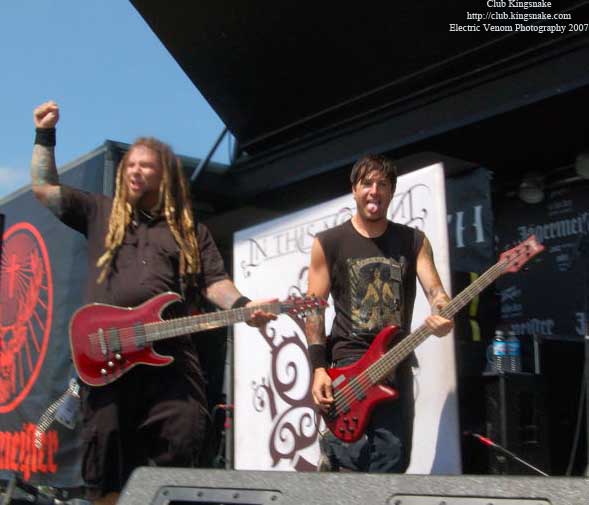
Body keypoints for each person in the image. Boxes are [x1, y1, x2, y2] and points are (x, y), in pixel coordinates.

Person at [30, 101, 276, 504]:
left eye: (144, 165)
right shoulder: (99, 210)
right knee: (107, 453)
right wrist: (45, 134)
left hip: (170, 360)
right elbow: (43, 187)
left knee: (183, 436)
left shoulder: (188, 231)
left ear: (164, 176)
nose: (134, 171)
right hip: (107, 361)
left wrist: (245, 306)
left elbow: (216, 284)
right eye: (129, 165)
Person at [305, 154, 453, 473]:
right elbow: (314, 311)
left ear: (391, 191)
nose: (374, 191)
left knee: (391, 466)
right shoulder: (328, 243)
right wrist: (318, 369)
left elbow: (436, 292)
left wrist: (442, 311)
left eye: (382, 184)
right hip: (345, 372)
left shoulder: (413, 241)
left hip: (393, 369)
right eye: (367, 184)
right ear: (354, 190)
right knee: (347, 471)